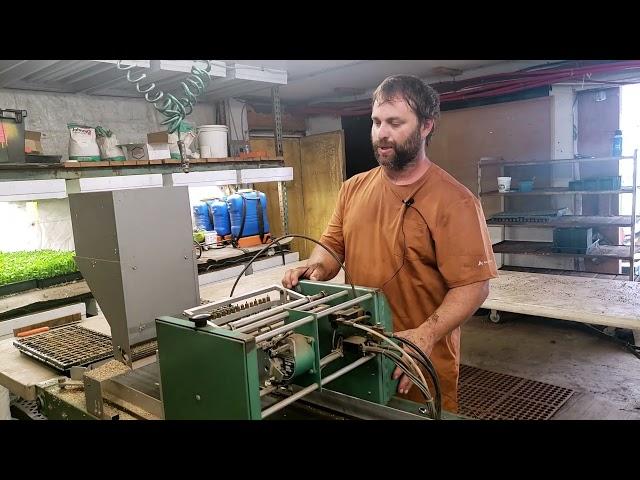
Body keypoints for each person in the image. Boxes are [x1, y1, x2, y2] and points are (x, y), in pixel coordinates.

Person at [282, 74, 498, 413]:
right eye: (376, 121)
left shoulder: (455, 202)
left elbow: (474, 287)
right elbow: (332, 246)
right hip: (356, 351)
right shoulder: (353, 188)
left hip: (417, 364)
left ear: (426, 126)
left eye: (395, 123)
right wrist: (317, 267)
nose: (382, 133)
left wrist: (425, 336)